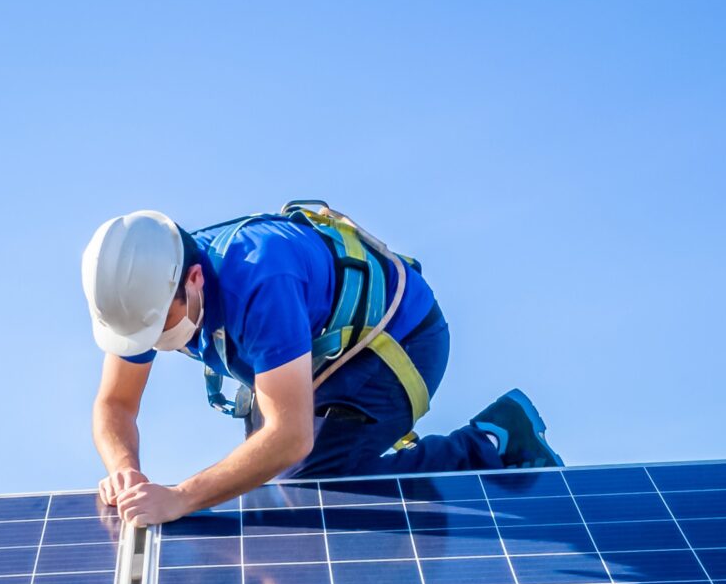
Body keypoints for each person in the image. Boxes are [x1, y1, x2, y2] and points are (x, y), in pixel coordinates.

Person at [82, 204, 560, 527]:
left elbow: (290, 438)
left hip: (397, 340)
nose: (156, 343)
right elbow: (115, 403)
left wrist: (181, 496)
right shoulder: (141, 297)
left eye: (160, 325)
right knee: (270, 490)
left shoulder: (259, 278)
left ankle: (489, 442)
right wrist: (126, 471)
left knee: (306, 489)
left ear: (194, 279)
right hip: (305, 353)